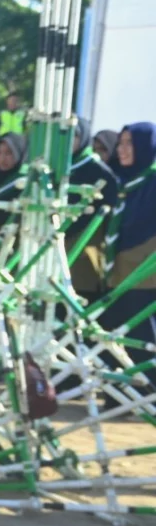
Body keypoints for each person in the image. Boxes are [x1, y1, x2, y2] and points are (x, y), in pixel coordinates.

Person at [97, 122, 156, 397]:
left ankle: (148, 398)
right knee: (114, 339)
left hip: (146, 277)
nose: (122, 149)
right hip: (118, 273)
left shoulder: (152, 182)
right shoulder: (122, 182)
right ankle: (119, 397)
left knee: (143, 340)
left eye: (129, 143)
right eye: (120, 143)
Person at [67, 116, 119, 305]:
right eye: (64, 134)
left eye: (74, 135)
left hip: (85, 256)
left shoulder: (99, 172)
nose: (68, 140)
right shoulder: (56, 168)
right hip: (55, 254)